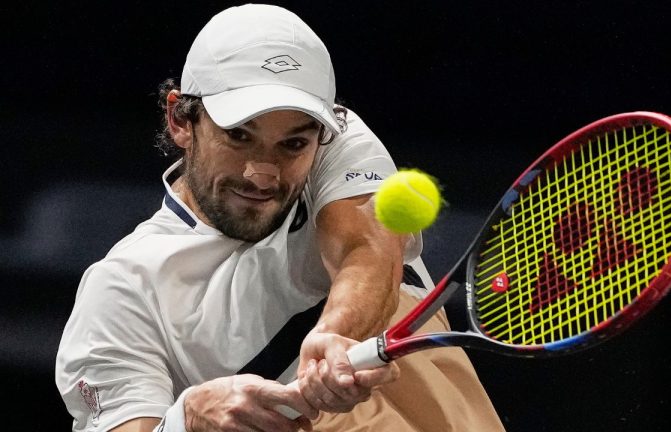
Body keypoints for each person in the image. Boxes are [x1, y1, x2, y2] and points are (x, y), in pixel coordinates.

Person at [56, 4, 505, 432]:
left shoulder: (340, 146)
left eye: (292, 145)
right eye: (238, 136)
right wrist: (188, 418)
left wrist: (334, 335)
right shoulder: (121, 287)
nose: (262, 173)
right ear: (180, 119)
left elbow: (365, 249)